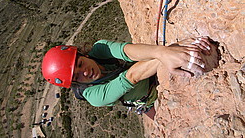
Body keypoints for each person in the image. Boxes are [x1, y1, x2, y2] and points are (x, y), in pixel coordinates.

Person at [42, 37, 211, 119]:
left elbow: (127, 51)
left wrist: (165, 51)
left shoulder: (100, 49)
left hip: (149, 75)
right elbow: (130, 77)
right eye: (77, 76)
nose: (84, 72)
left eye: (79, 63)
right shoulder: (94, 96)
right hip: (149, 100)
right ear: (74, 83)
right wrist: (171, 51)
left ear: (80, 53)